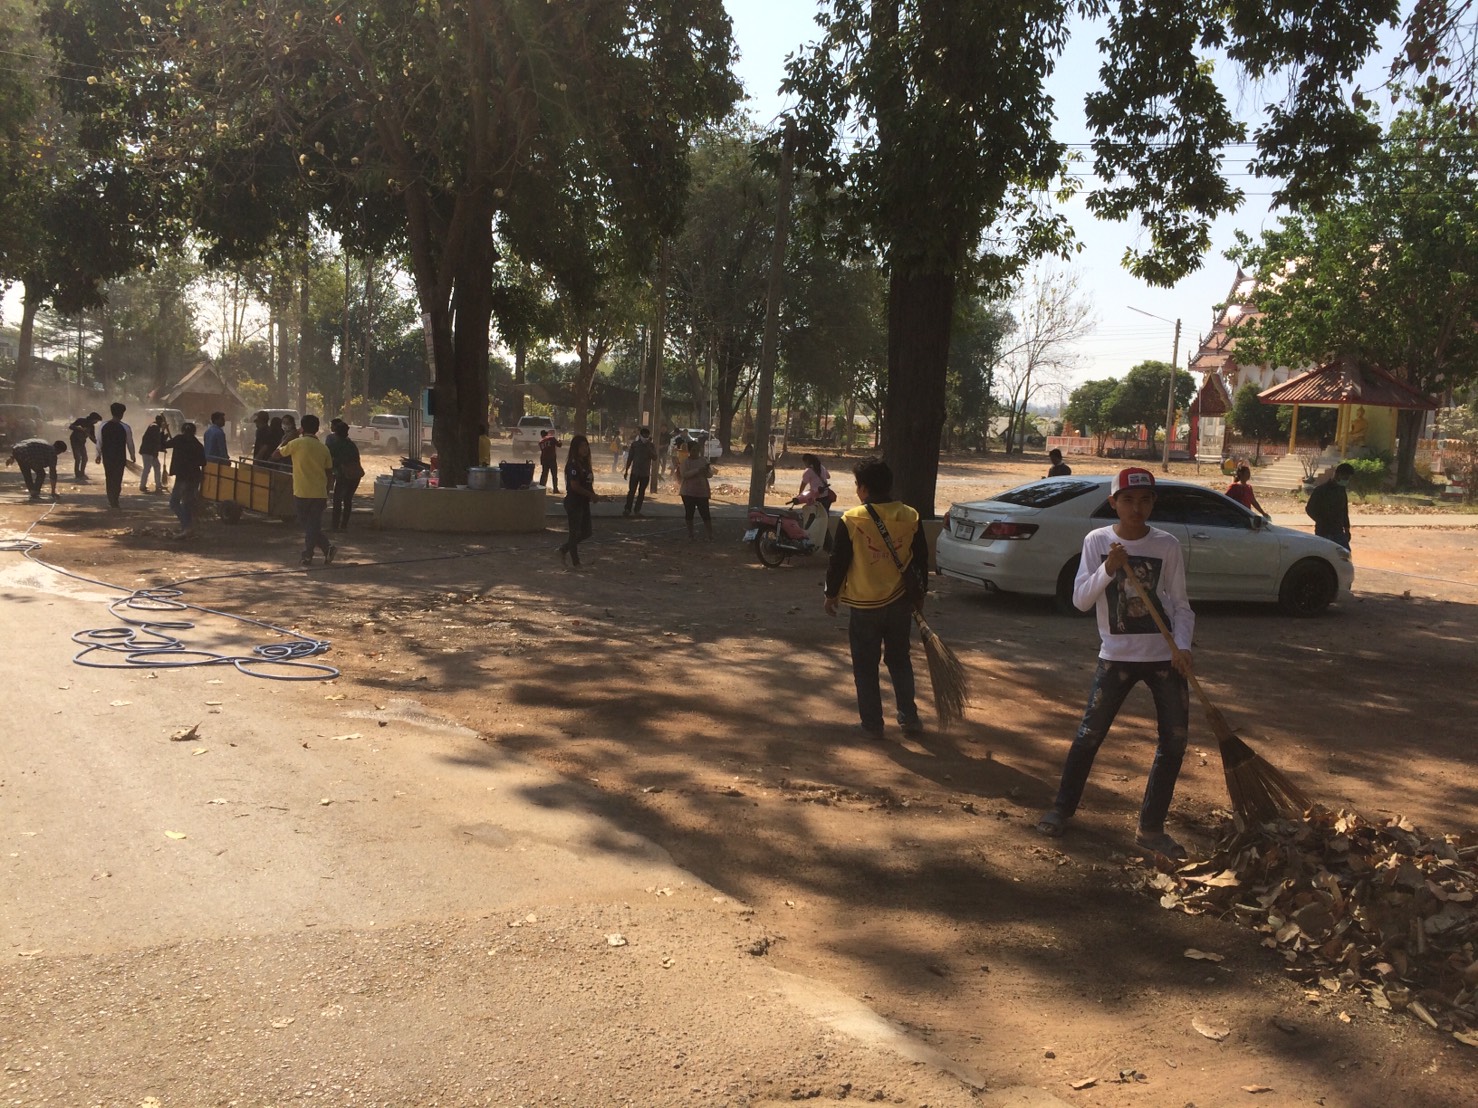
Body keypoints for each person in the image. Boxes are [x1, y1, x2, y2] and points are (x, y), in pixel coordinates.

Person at [1035, 467, 1195, 861]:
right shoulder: (1097, 541)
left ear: (1153, 503)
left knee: (1174, 742)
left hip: (1164, 656)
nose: (1136, 508)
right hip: (1116, 656)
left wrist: (1183, 647)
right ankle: (1061, 809)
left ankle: (1151, 827)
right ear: (1113, 503)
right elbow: (1080, 601)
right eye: (1128, 500)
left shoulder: (1167, 545)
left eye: (1144, 500)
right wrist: (1108, 568)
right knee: (1089, 735)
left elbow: (1180, 605)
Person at [823, 457, 928, 738]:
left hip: (864, 605)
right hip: (900, 602)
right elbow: (921, 560)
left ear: (864, 488)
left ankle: (872, 725)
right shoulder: (910, 516)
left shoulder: (852, 519)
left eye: (857, 485)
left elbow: (838, 561)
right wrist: (920, 596)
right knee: (900, 660)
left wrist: (831, 595)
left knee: (865, 666)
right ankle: (909, 718)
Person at [274, 414, 335, 567]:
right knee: (312, 526)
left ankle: (308, 555)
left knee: (308, 525)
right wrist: (327, 491)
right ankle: (327, 548)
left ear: (302, 428)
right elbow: (329, 473)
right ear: (317, 429)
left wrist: (287, 439)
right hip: (319, 493)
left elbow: (275, 455)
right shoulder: (323, 448)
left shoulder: (296, 443)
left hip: (301, 491)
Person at [557, 434, 601, 567]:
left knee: (587, 532)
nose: (585, 449)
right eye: (582, 446)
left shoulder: (585, 464)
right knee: (574, 532)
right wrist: (590, 495)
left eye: (586, 446)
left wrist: (593, 495)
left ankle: (563, 549)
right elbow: (574, 486)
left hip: (584, 502)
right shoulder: (573, 465)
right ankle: (576, 563)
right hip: (574, 502)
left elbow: (588, 483)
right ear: (575, 448)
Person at [165, 422, 205, 538]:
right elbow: (203, 462)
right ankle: (188, 527)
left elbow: (162, 445)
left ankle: (187, 526)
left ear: (182, 430)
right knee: (187, 503)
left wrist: (163, 431)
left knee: (174, 503)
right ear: (194, 432)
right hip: (194, 477)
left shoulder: (178, 439)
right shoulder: (198, 444)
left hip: (182, 477)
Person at [325, 418, 364, 530]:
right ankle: (344, 526)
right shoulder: (351, 444)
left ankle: (335, 526)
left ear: (336, 433)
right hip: (355, 475)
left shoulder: (335, 445)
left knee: (337, 500)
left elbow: (330, 460)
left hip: (343, 475)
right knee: (347, 500)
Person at [96, 403, 136, 509]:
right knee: (117, 479)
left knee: (109, 478)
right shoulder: (125, 427)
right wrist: (132, 455)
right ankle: (115, 499)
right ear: (122, 414)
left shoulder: (103, 426)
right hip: (120, 458)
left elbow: (99, 441)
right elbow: (130, 443)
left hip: (107, 457)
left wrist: (98, 455)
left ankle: (111, 499)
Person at [792, 452, 836, 551]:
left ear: (806, 461)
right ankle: (826, 547)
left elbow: (803, 484)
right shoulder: (821, 467)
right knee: (822, 521)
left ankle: (828, 547)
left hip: (817, 499)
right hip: (826, 498)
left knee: (818, 522)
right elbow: (828, 476)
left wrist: (799, 495)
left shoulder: (808, 471)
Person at [1305, 462, 1353, 551]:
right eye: (1345, 478)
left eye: (1348, 479)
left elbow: (1344, 510)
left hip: (1338, 531)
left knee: (1344, 554)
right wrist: (1321, 521)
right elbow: (1309, 509)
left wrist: (1347, 529)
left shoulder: (1341, 490)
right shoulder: (1321, 490)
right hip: (1324, 532)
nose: (1346, 481)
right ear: (1337, 475)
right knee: (1325, 554)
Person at [678, 439, 714, 541]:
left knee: (705, 514)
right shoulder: (685, 462)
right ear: (689, 451)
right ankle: (690, 534)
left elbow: (709, 475)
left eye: (697, 450)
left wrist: (707, 471)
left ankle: (709, 535)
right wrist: (697, 470)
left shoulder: (703, 461)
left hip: (702, 491)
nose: (696, 452)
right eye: (693, 450)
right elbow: (684, 475)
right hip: (688, 492)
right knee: (689, 513)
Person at [623, 427, 655, 517]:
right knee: (631, 492)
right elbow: (630, 458)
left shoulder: (651, 445)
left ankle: (637, 510)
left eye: (647, 436)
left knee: (641, 493)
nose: (645, 438)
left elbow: (655, 457)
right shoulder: (635, 445)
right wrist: (626, 470)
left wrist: (649, 449)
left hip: (645, 473)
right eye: (644, 436)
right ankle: (627, 509)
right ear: (640, 435)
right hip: (635, 472)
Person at [139, 414, 170, 493]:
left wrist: (163, 430)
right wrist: (162, 448)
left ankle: (158, 485)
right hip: (148, 451)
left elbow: (158, 439)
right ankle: (142, 486)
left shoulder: (155, 427)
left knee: (157, 466)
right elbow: (157, 440)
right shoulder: (154, 427)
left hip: (151, 452)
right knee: (147, 468)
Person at [67, 412, 101, 481]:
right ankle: (77, 474)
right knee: (77, 458)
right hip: (74, 441)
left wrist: (98, 444)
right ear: (92, 419)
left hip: (82, 442)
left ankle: (82, 473)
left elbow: (92, 437)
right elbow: (71, 426)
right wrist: (78, 428)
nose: (96, 422)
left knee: (85, 458)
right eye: (96, 421)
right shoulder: (81, 420)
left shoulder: (92, 427)